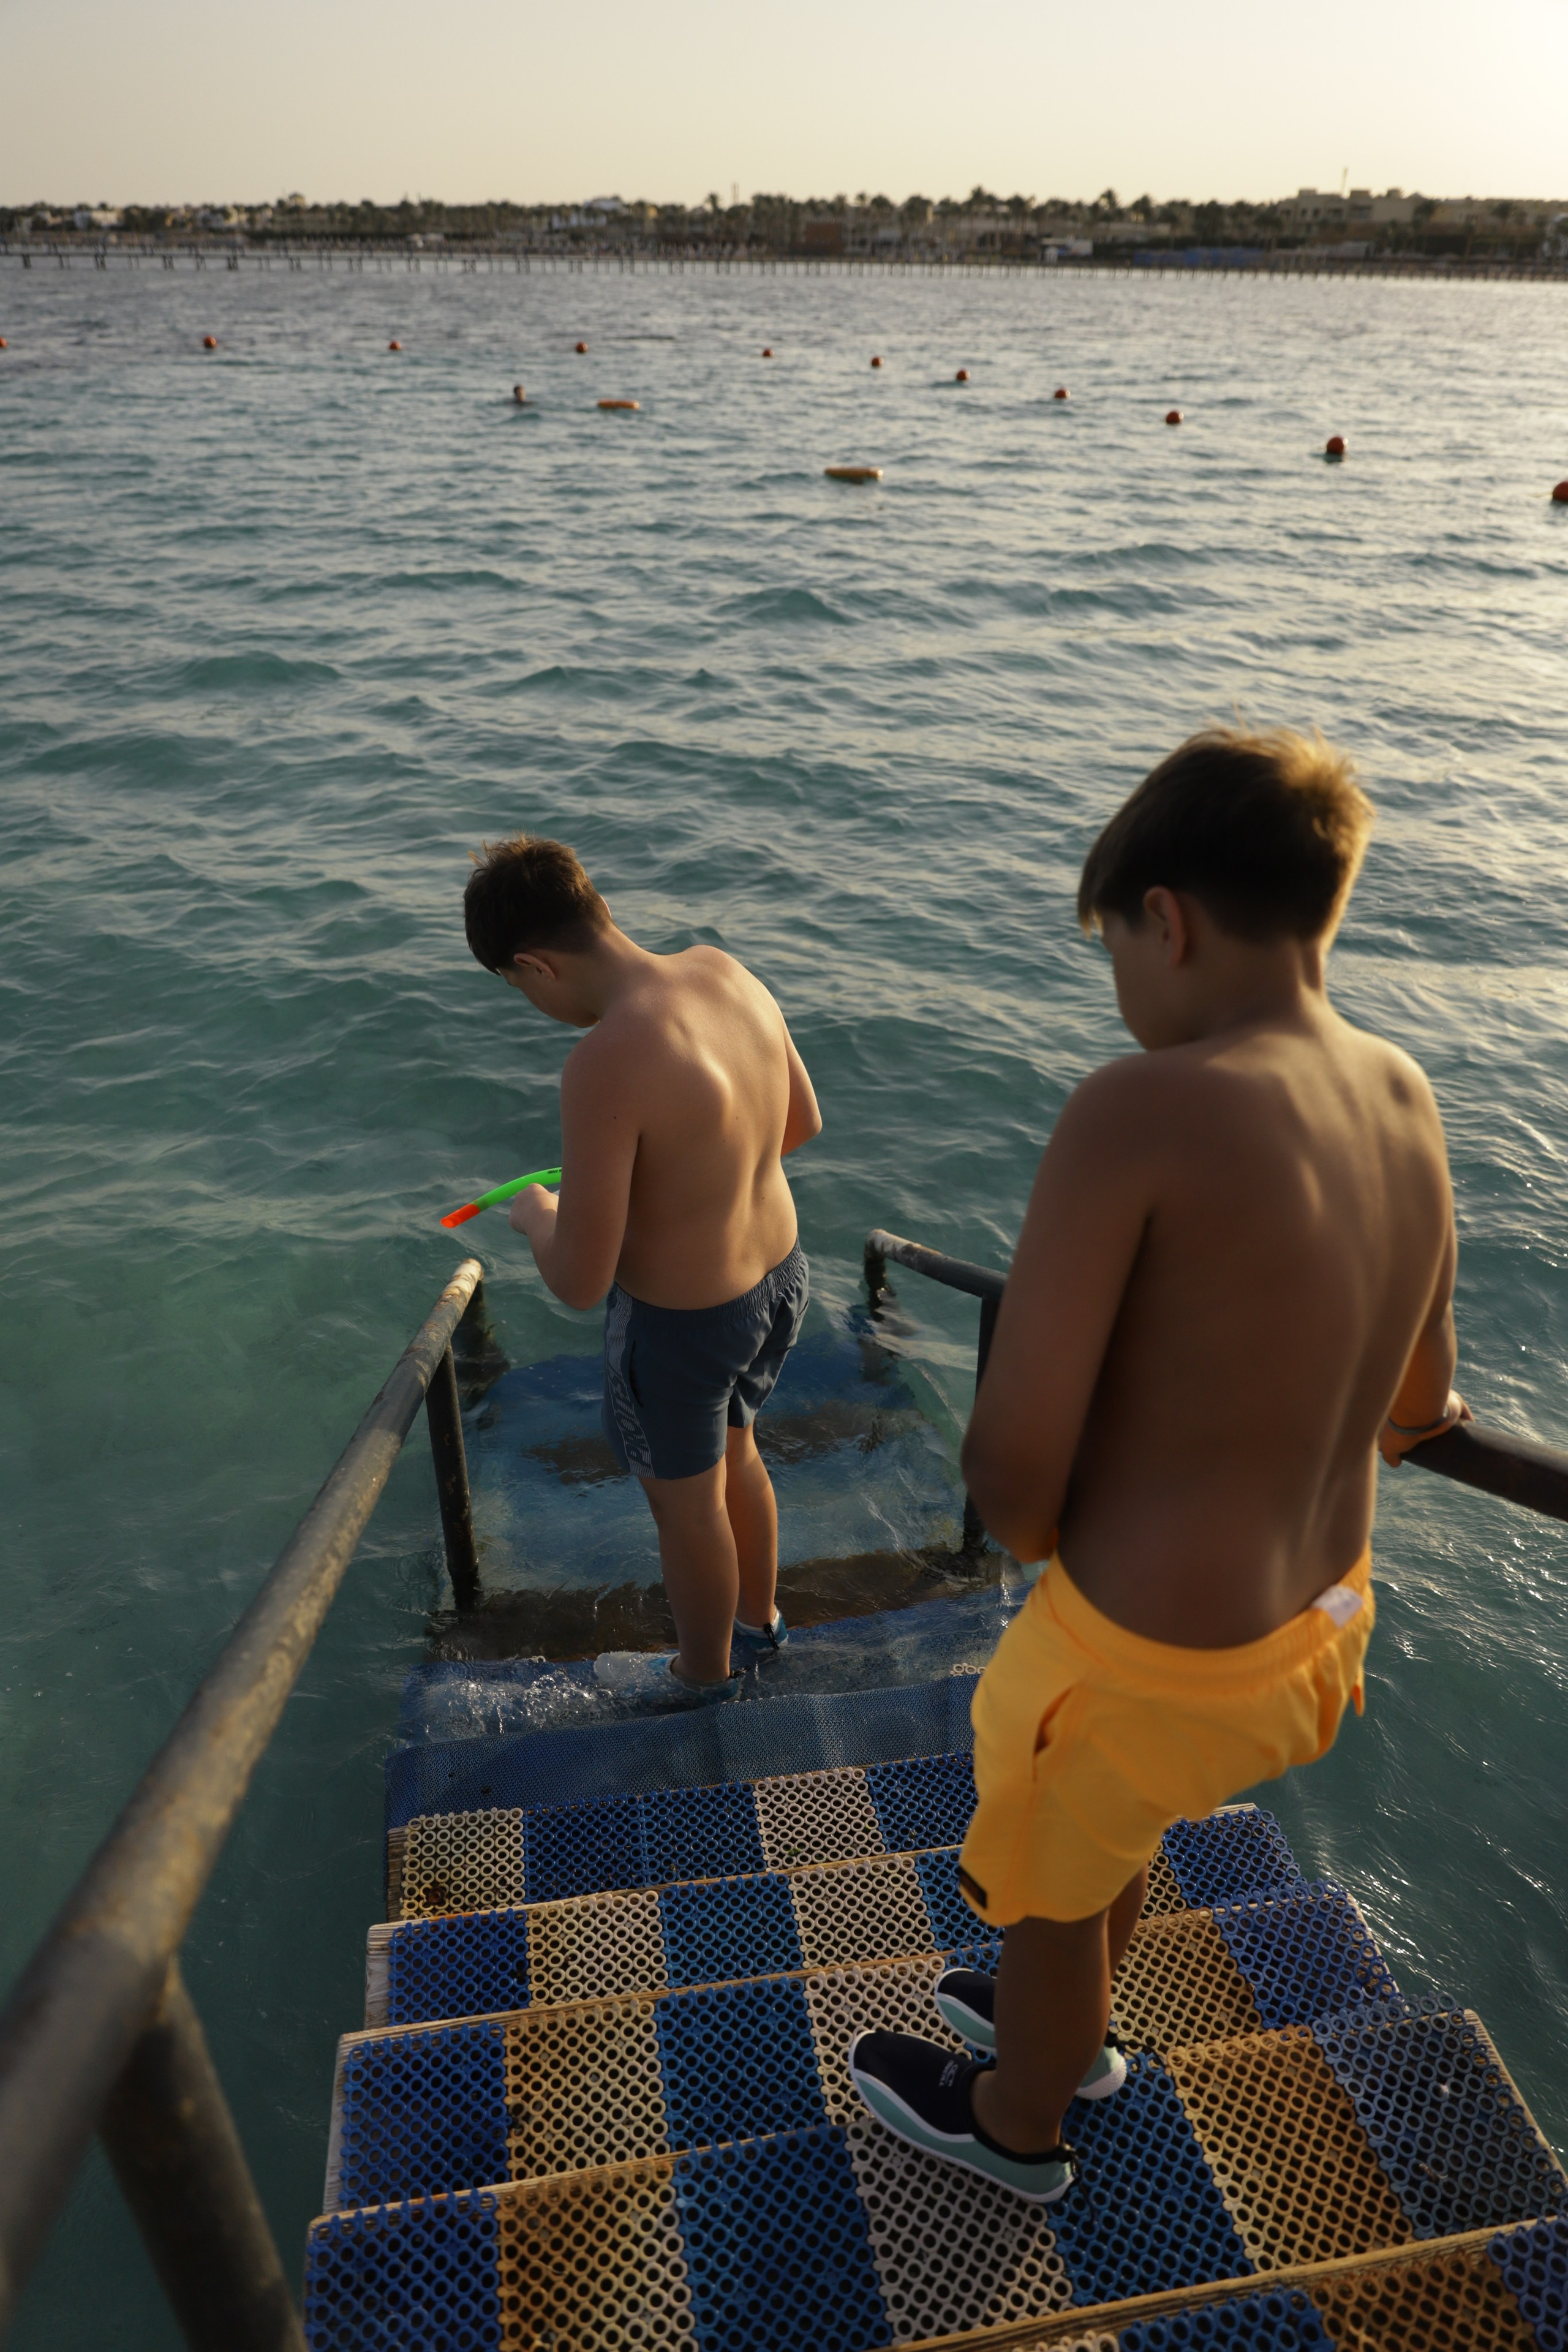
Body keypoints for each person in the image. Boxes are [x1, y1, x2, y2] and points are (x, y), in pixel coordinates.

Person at [849, 726, 1468, 2201]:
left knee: (1052, 1892)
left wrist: (1033, 1537)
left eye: (1111, 945)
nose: (1119, 985)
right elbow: (1418, 1401)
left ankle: (1017, 2119)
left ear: (1165, 919)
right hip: (1316, 1637)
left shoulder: (1136, 1110)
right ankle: (1073, 2036)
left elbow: (1011, 1458)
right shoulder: (1403, 1093)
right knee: (1107, 1831)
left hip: (1137, 1656)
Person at [462, 834, 822, 1697]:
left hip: (685, 1328)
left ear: (532, 966)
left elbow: (583, 1281)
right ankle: (759, 1627)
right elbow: (801, 1122)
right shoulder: (724, 970)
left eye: (519, 990)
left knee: (688, 1507)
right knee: (741, 1453)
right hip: (780, 1281)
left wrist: (538, 1216)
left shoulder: (603, 1061)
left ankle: (702, 1677)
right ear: (602, 910)